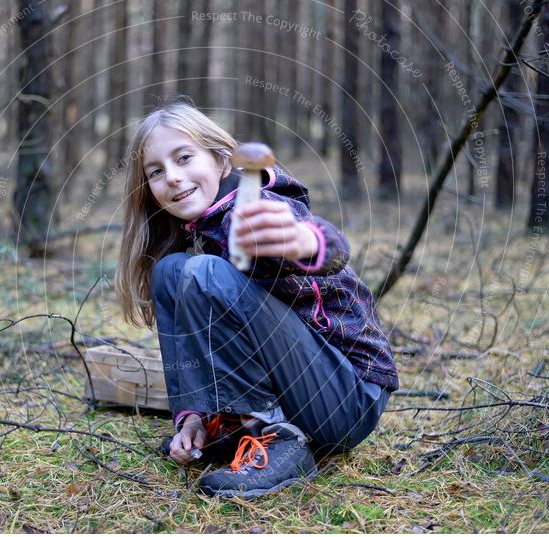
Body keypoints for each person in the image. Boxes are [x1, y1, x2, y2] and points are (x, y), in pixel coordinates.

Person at [115, 102, 398, 499]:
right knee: (172, 271)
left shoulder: (254, 207)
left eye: (184, 158)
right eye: (157, 172)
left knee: (203, 273)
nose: (173, 178)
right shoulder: (197, 230)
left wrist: (303, 241)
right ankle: (230, 423)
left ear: (220, 160)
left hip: (346, 398)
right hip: (303, 391)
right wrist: (193, 414)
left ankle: (277, 438)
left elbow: (332, 248)